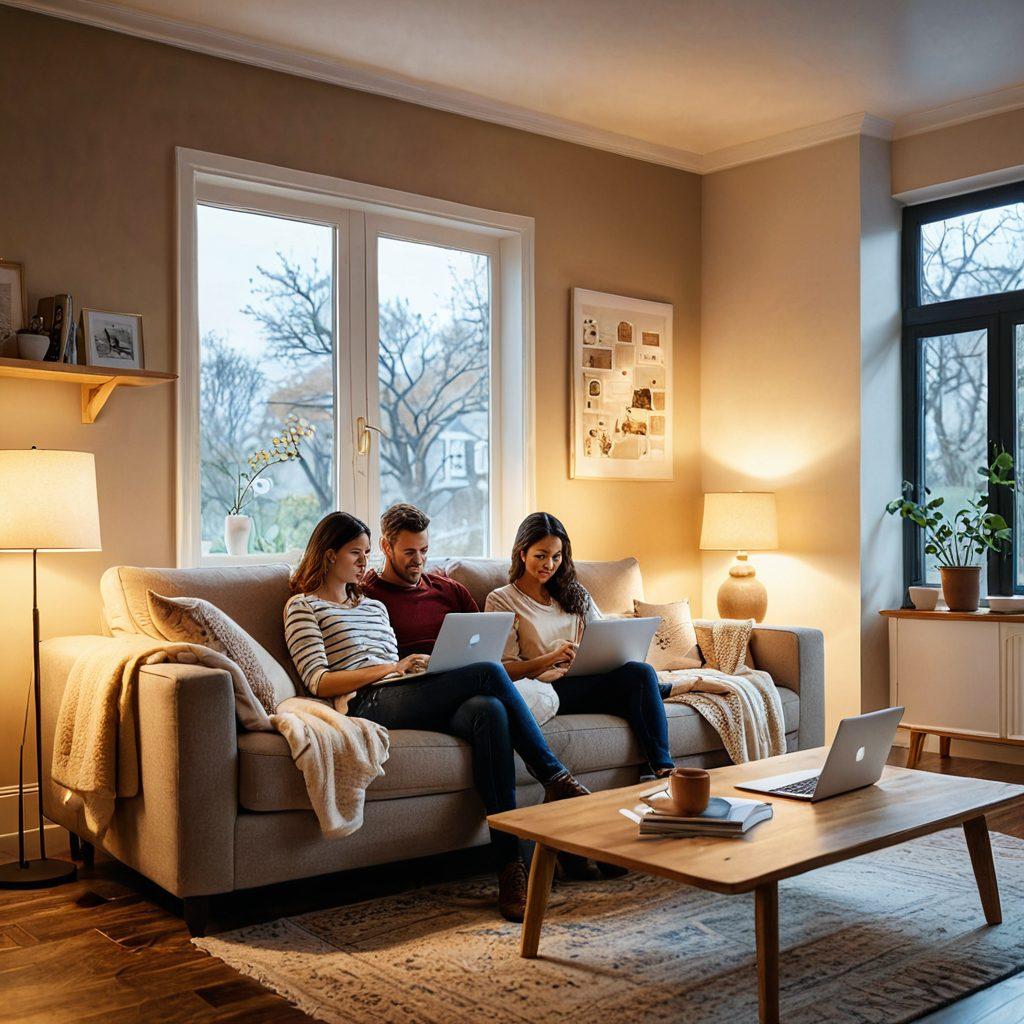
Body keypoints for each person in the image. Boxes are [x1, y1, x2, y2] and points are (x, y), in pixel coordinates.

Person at [285, 509, 589, 922]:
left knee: (489, 710)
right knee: (488, 671)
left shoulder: (372, 606)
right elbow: (318, 680)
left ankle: (509, 867)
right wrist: (392, 669)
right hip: (367, 700)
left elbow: (399, 664)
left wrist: (417, 670)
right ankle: (555, 777)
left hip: (406, 690)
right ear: (327, 555)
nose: (364, 561)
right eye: (356, 553)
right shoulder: (302, 607)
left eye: (366, 553)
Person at [485, 511, 675, 784]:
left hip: (587, 678)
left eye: (556, 557)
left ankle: (663, 770)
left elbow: (606, 636)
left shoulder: (574, 592)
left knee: (641, 672)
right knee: (644, 685)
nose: (549, 564)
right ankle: (659, 692)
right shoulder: (502, 600)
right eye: (541, 555)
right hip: (549, 688)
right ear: (521, 553)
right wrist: (551, 658)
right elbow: (503, 670)